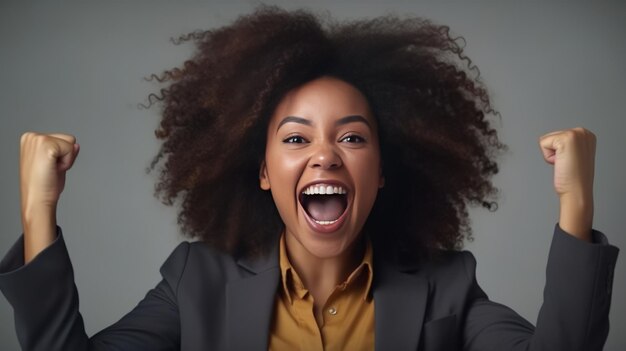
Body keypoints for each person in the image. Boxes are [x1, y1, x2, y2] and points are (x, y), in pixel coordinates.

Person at [0, 5, 619, 351]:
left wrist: (575, 202)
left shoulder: (448, 289)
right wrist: (37, 210)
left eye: (352, 138)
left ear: (381, 173)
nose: (325, 155)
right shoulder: (196, 282)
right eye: (296, 138)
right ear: (265, 171)